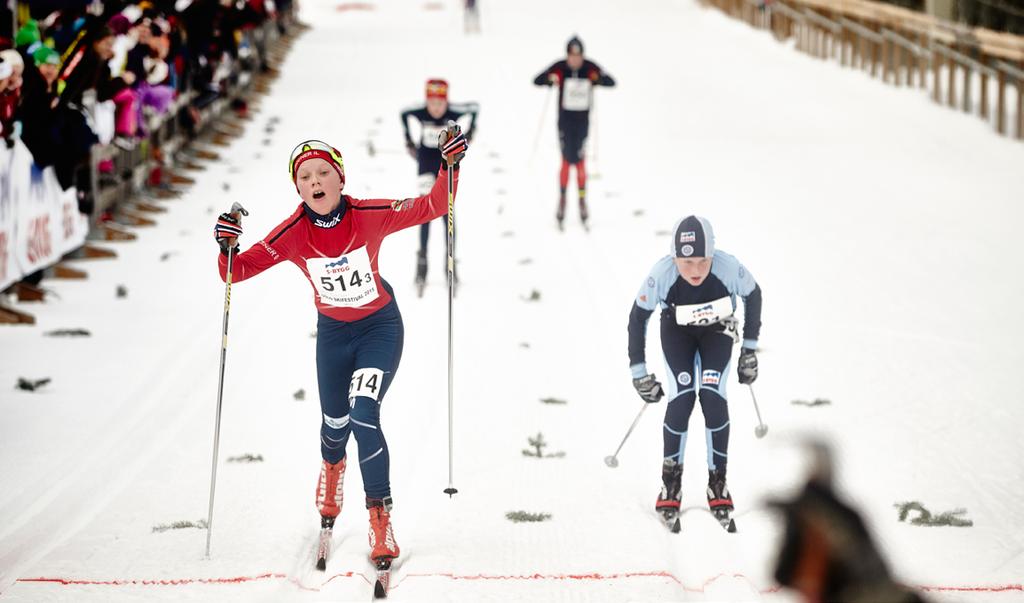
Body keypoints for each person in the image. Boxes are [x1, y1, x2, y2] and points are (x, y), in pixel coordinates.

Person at [212, 128, 469, 566]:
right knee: (335, 426)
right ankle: (333, 472)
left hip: (379, 330)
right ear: (298, 188)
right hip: (333, 336)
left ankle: (380, 518)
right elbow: (235, 272)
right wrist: (227, 245)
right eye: (305, 176)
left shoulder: (369, 213)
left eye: (323, 173)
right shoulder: (292, 233)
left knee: (364, 414)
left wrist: (451, 166)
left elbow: (431, 206)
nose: (315, 181)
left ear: (340, 179)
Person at [626, 215, 762, 532]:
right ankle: (670, 484)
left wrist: (750, 350)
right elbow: (638, 317)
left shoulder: (727, 266)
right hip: (678, 332)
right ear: (674, 257)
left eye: (703, 260)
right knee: (683, 398)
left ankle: (718, 483)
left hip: (717, 331)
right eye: (687, 262)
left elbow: (753, 294)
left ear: (713, 254)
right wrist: (639, 373)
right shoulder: (662, 273)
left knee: (714, 398)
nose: (696, 270)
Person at [400, 79, 478, 296]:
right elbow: (403, 113)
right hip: (425, 163)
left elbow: (474, 109)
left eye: (440, 104)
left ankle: (449, 262)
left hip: (447, 163)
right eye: (432, 103)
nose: (436, 108)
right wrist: (408, 140)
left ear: (446, 102)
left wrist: (469, 135)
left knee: (447, 211)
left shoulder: (453, 111)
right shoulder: (420, 111)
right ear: (427, 101)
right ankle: (422, 262)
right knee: (425, 211)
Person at [532, 36, 614, 229]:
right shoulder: (560, 67)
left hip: (583, 122)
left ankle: (582, 200)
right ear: (567, 55)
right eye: (572, 56)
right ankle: (562, 200)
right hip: (564, 122)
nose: (575, 60)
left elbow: (611, 81)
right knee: (566, 161)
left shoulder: (589, 68)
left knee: (580, 161)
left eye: (578, 56)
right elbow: (537, 79)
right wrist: (551, 79)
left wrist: (597, 79)